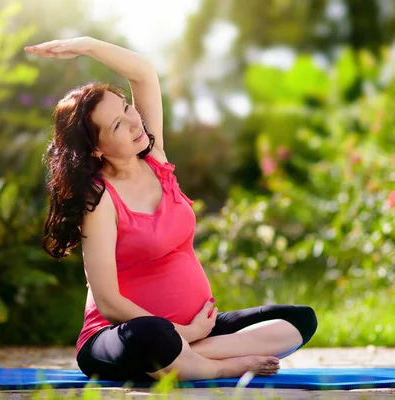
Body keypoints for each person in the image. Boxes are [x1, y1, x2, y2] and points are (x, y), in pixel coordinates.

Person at [27, 36, 317, 383]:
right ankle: (220, 365)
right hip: (124, 336)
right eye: (118, 125)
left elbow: (144, 74)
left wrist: (88, 45)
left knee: (298, 319)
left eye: (126, 108)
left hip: (198, 329)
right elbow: (109, 303)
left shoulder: (154, 158)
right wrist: (182, 329)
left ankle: (184, 358)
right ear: (95, 150)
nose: (135, 123)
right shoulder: (99, 199)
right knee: (151, 336)